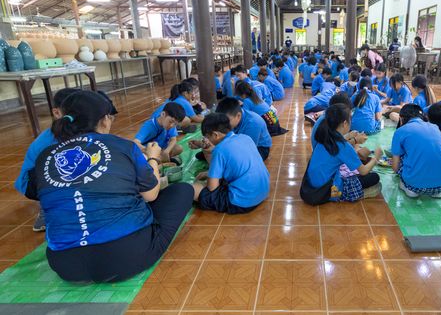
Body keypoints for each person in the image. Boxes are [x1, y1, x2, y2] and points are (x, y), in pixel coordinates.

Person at [26, 91, 196, 283]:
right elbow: (150, 195)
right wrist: (153, 158)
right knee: (183, 190)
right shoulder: (123, 145)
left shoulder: (45, 155)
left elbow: (35, 191)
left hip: (66, 266)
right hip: (126, 257)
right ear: (104, 119)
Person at [14, 88, 81, 232]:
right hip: (33, 183)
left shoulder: (76, 131)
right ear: (57, 113)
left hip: (45, 176)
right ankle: (47, 209)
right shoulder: (52, 139)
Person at [301, 104, 382, 205]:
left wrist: (352, 138)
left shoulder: (325, 135)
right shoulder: (343, 146)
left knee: (346, 166)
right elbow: (363, 171)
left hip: (311, 185)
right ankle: (358, 194)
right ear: (344, 123)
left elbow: (338, 146)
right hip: (328, 190)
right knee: (374, 177)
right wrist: (376, 158)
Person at [193, 113, 270, 214]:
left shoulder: (219, 150)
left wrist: (206, 181)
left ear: (215, 135)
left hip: (242, 201)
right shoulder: (245, 137)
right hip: (263, 191)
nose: (207, 141)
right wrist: (209, 173)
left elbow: (212, 187)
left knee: (193, 189)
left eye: (207, 137)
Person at [391, 104, 441, 198]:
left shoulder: (400, 131)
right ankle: (435, 192)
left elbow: (395, 168)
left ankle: (408, 189)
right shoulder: (435, 127)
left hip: (416, 186)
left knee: (403, 162)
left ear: (401, 119)